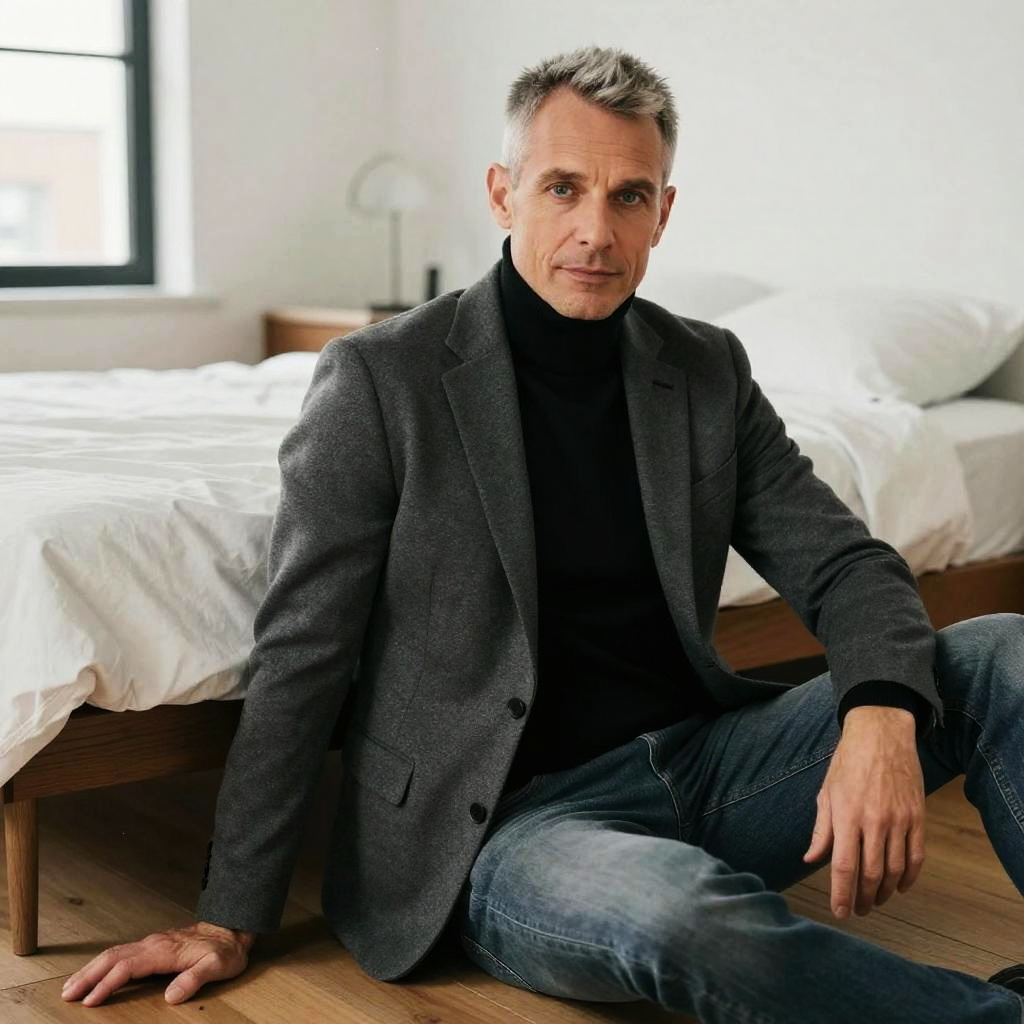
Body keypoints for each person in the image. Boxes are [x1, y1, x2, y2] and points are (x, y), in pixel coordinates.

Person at [62, 46, 1024, 1021]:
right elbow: (304, 649)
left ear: (664, 211)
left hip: (702, 761)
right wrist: (228, 914)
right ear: (502, 193)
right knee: (680, 917)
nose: (593, 231)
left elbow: (845, 564)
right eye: (562, 187)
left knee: (999, 653)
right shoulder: (380, 378)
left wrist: (878, 712)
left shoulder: (703, 369)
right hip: (504, 826)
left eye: (628, 196)